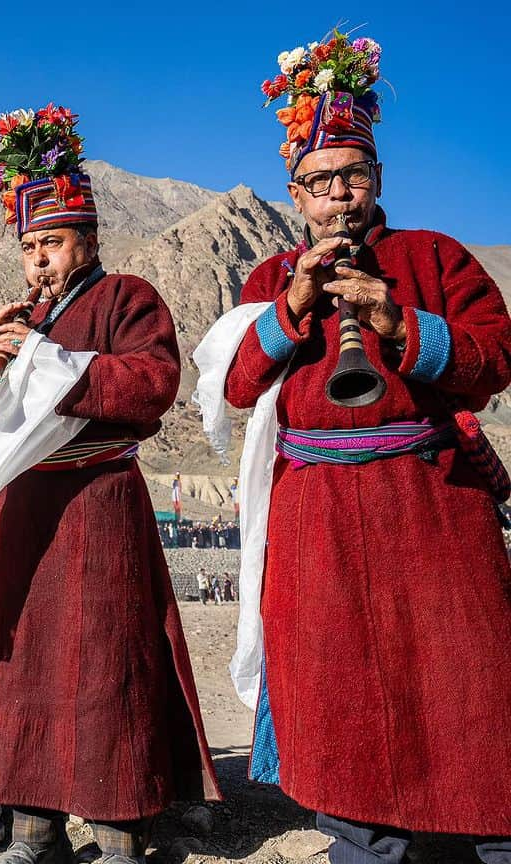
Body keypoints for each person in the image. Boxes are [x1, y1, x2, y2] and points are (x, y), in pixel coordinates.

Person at [208, 32, 511, 863]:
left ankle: (485, 839)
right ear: (296, 194)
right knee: (341, 695)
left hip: (432, 508)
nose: (339, 195)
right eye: (321, 181)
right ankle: (362, 843)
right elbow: (235, 388)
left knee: (467, 687)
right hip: (318, 523)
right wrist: (297, 303)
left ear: (378, 181)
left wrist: (395, 321)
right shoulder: (270, 277)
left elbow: (494, 359)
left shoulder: (434, 257)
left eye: (355, 176)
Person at [0, 105, 218, 864]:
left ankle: (118, 831)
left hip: (98, 505)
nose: (39, 262)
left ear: (90, 241)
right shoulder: (21, 321)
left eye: (54, 243)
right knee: (21, 666)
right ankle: (35, 831)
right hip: (25, 508)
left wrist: (43, 359)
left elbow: (152, 382)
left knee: (105, 665)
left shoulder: (128, 298)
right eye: (30, 247)